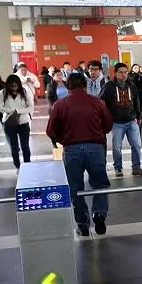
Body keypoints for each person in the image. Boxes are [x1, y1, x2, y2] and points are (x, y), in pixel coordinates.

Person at [46, 73, 113, 237]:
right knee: (100, 184)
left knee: (75, 188)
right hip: (95, 148)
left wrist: (63, 139)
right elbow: (108, 125)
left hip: (72, 149)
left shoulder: (60, 105)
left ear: (68, 86)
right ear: (85, 85)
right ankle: (99, 214)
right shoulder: (96, 102)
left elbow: (50, 131)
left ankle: (82, 225)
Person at [101, 63, 142, 177]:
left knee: (136, 145)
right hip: (116, 122)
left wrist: (138, 117)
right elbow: (101, 102)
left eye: (125, 72)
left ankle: (136, 167)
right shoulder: (109, 86)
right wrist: (105, 117)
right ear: (115, 73)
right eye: (121, 72)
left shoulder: (131, 85)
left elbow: (136, 102)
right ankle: (118, 168)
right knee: (116, 147)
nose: (123, 74)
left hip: (131, 120)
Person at [0, 74, 34, 169]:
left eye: (16, 86)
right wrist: (11, 111)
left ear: (19, 85)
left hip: (23, 122)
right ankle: (18, 167)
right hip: (9, 122)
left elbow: (30, 107)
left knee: (25, 146)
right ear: (8, 85)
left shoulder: (24, 92)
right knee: (14, 146)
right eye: (11, 86)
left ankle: (27, 166)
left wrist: (19, 111)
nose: (14, 88)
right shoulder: (3, 93)